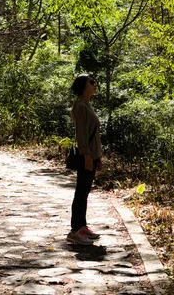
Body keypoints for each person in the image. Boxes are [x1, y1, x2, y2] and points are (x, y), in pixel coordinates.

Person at [67, 73, 103, 245]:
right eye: (91, 82)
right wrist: (87, 155)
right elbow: (81, 134)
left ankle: (82, 226)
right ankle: (75, 230)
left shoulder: (87, 105)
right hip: (86, 156)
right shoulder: (80, 106)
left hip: (93, 155)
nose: (95, 85)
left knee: (85, 192)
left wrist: (98, 156)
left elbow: (93, 134)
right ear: (83, 86)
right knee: (81, 192)